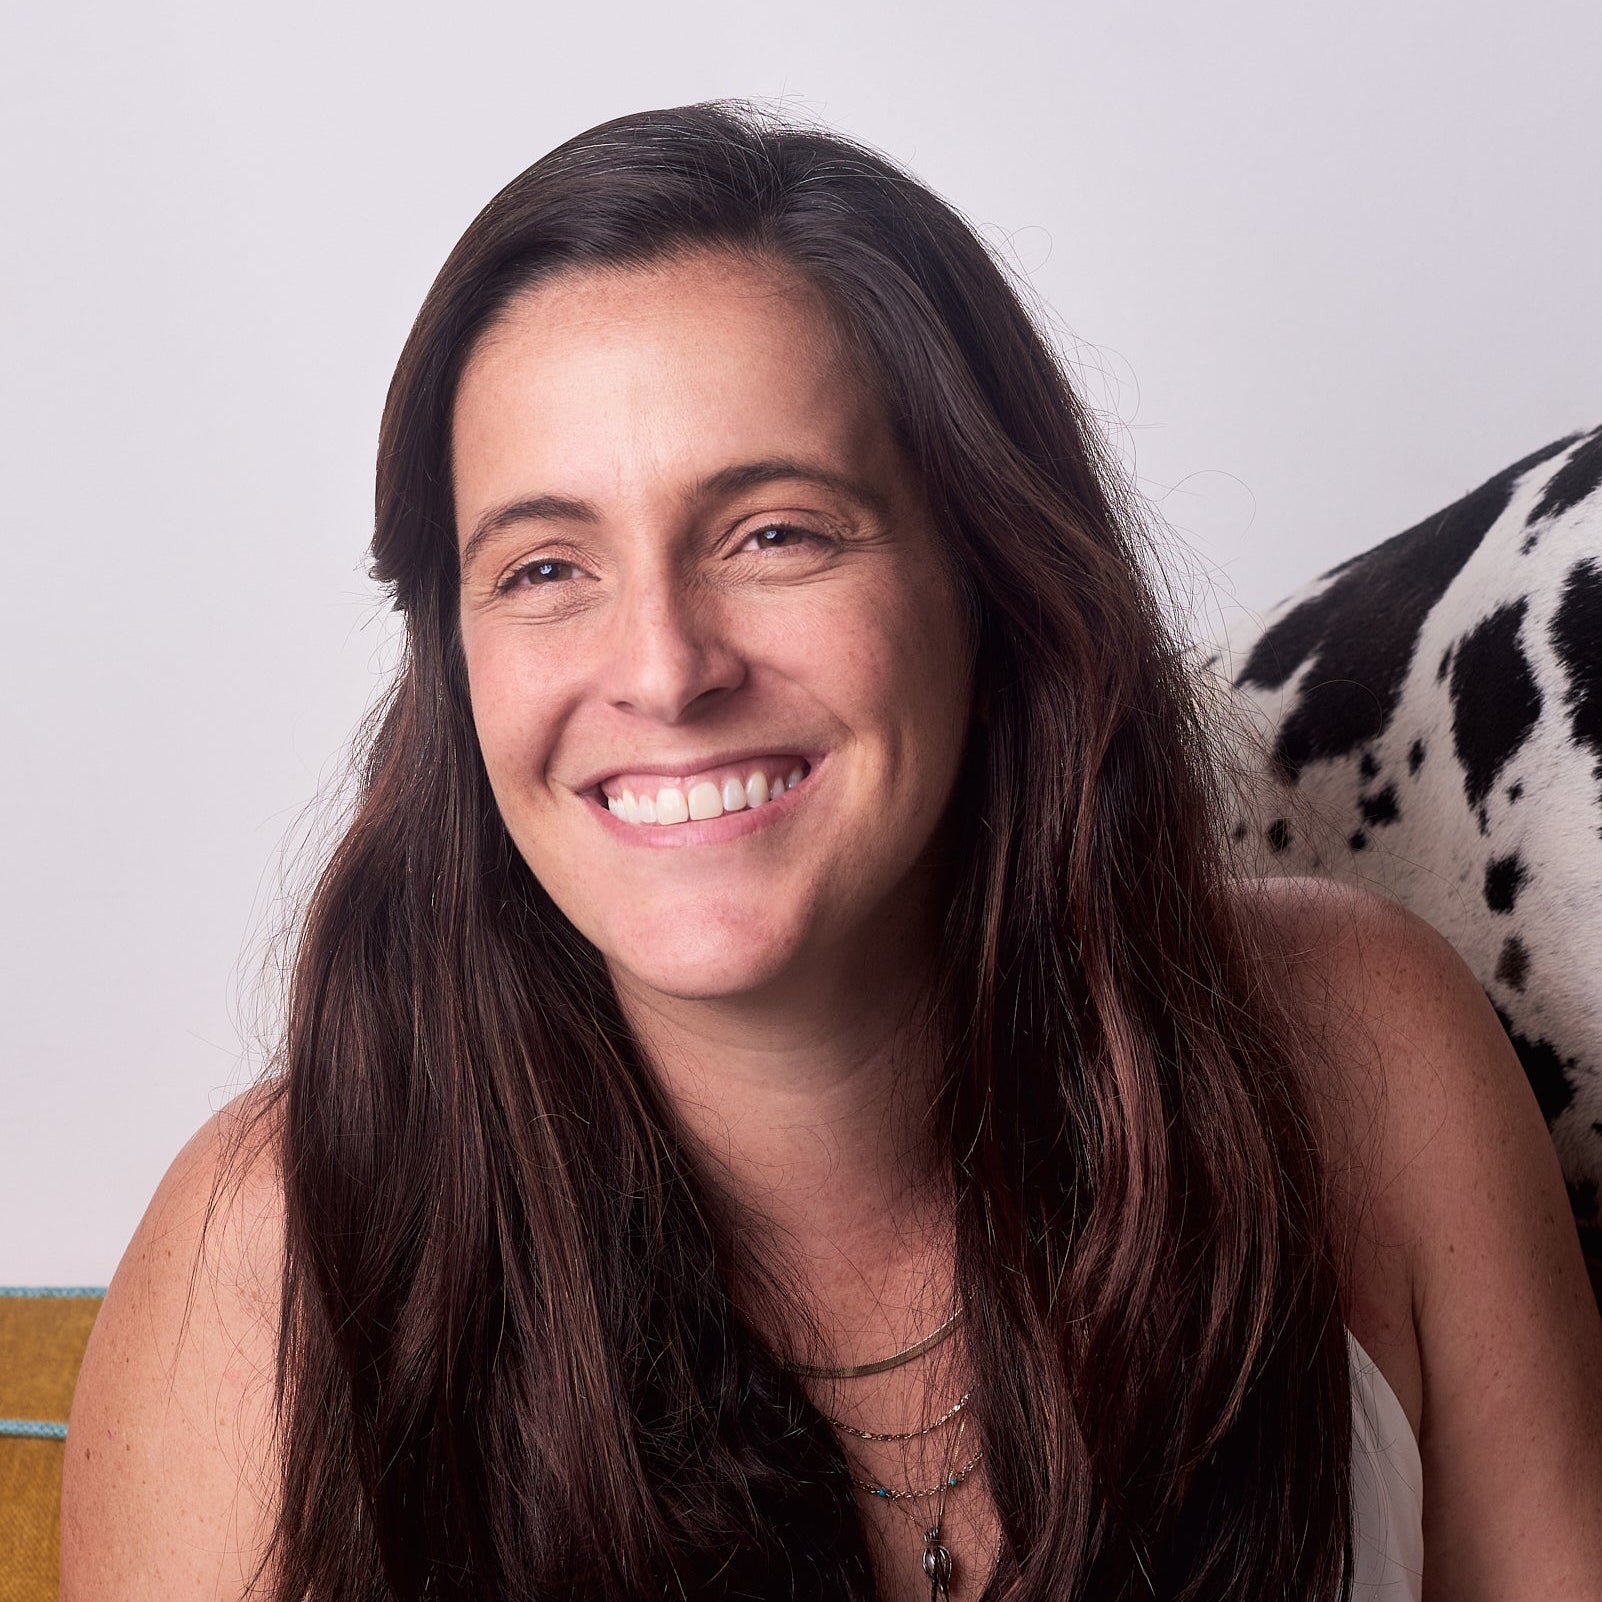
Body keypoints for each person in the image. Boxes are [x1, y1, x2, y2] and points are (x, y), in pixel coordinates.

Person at [60, 100, 1602, 1602]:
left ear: (994, 578)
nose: (662, 668)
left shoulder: (1363, 1053)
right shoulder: (267, 1260)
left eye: (774, 532)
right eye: (544, 566)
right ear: (454, 665)